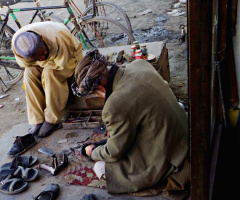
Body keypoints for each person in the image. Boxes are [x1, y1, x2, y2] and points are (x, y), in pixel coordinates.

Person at [73, 49, 190, 199]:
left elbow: (114, 152)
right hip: (184, 133)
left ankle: (158, 176)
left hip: (171, 157)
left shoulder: (115, 105)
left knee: (100, 167)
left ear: (100, 87)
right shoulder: (139, 64)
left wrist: (92, 152)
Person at [7, 21, 83, 156]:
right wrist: (40, 60)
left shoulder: (59, 37)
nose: (42, 57)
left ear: (41, 39)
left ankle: (53, 119)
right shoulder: (18, 45)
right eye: (38, 56)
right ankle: (37, 119)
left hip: (70, 57)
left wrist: (42, 62)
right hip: (43, 61)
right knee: (29, 74)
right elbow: (28, 65)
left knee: (50, 74)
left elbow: (60, 63)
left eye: (42, 53)